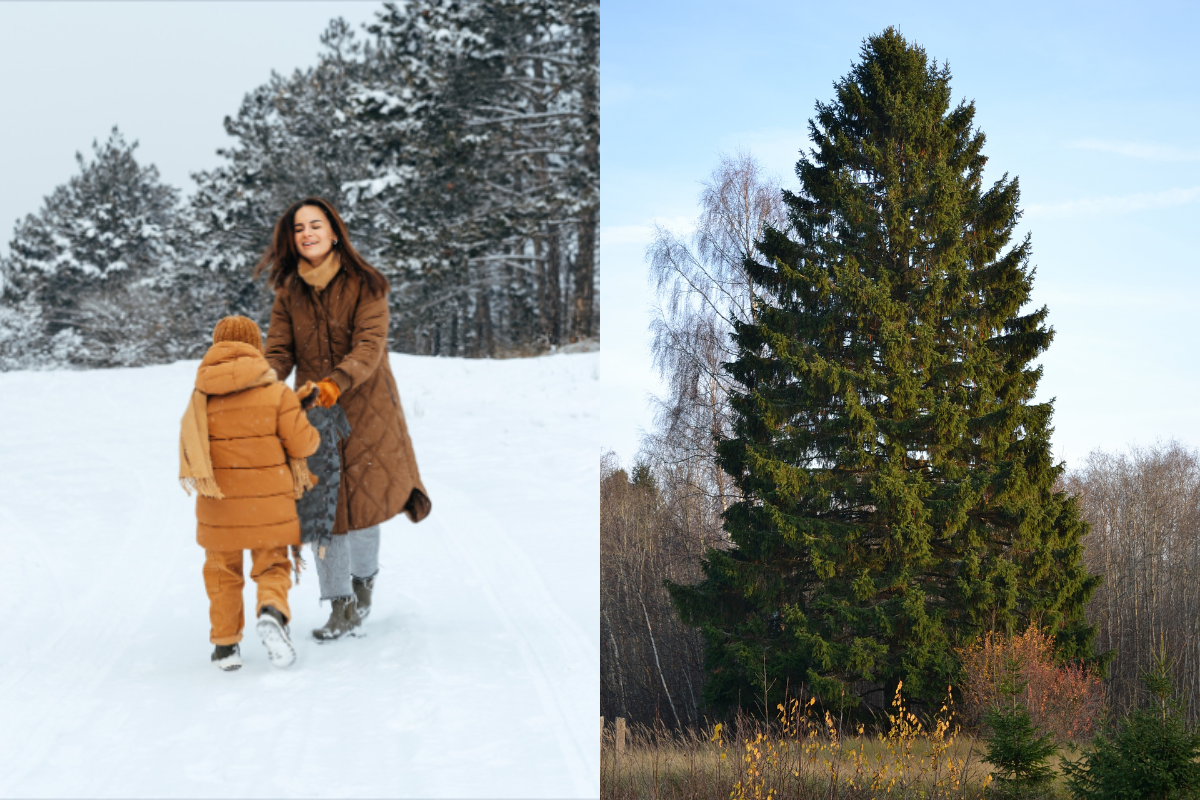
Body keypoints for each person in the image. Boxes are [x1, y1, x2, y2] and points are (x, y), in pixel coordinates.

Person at [255, 197, 432, 642]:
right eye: (299, 228)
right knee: (323, 511)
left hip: (367, 407)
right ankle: (340, 606)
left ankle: (363, 583)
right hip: (314, 411)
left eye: (316, 225)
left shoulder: (366, 285)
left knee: (364, 508)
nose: (307, 234)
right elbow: (279, 351)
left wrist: (336, 382)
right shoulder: (289, 291)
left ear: (334, 232)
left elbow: (369, 347)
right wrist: (262, 383)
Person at [179, 315, 320, 671]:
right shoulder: (276, 393)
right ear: (256, 347)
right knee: (272, 564)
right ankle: (271, 611)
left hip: (218, 504)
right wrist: (300, 413)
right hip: (268, 503)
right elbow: (304, 444)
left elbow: (193, 449)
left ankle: (225, 646)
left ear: (216, 346)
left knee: (222, 572)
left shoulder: (201, 397)